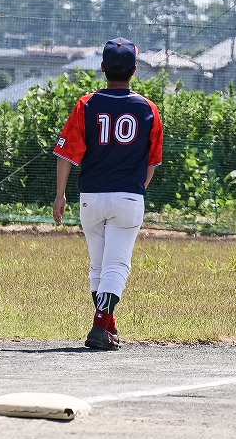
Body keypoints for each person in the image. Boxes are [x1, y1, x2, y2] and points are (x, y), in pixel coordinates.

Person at [52, 37, 163, 350]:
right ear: (134, 70)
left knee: (99, 267)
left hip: (91, 196)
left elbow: (66, 154)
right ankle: (100, 326)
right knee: (116, 266)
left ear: (102, 68)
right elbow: (152, 161)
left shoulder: (87, 104)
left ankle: (107, 326)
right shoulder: (148, 108)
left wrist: (60, 194)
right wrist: (137, 191)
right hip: (128, 196)